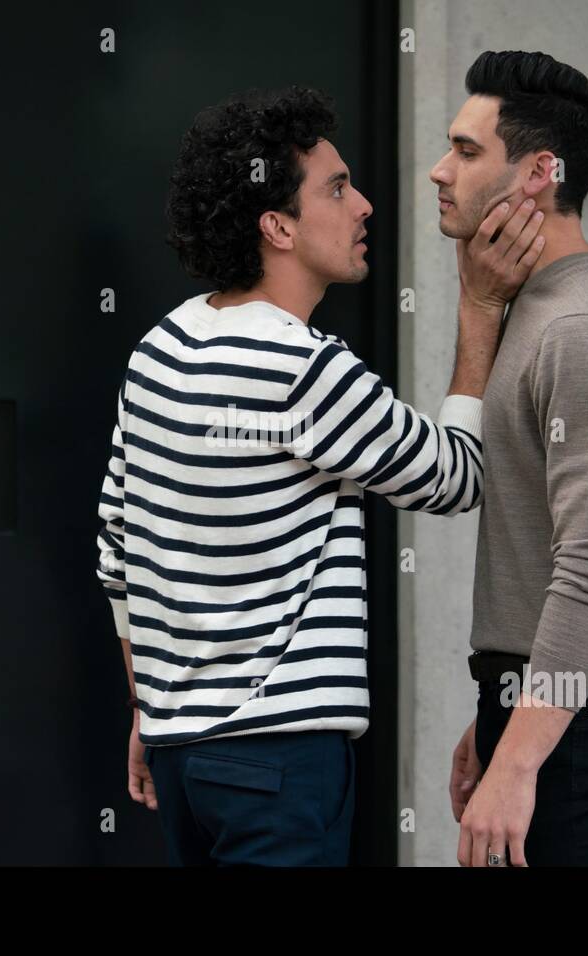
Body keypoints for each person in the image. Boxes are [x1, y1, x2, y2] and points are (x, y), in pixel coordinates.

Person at [95, 85, 543, 866]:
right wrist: (479, 306)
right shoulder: (304, 368)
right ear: (277, 226)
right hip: (281, 764)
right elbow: (459, 476)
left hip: (181, 755)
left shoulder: (156, 350)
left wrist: (151, 709)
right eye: (336, 188)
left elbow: (116, 553)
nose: (365, 204)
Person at [434, 51, 588, 867]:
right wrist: (503, 711)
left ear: (540, 171)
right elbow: (546, 545)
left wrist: (521, 757)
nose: (441, 170)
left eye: (467, 152)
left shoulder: (584, 331)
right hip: (560, 707)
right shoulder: (536, 308)